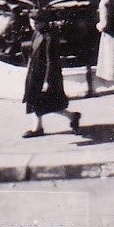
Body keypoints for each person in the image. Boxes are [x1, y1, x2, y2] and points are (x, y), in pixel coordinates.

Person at [22, 10, 82, 138]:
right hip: (35, 73)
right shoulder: (37, 34)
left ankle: (72, 116)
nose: (34, 25)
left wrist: (47, 81)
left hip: (45, 76)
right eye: (32, 22)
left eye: (37, 22)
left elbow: (51, 61)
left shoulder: (49, 38)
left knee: (50, 103)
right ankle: (37, 127)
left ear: (44, 23)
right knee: (35, 101)